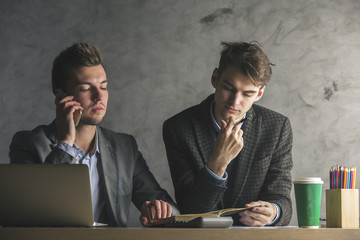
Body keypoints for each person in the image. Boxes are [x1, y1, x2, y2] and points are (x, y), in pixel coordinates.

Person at [9, 42, 178, 227]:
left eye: (103, 86)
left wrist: (160, 209)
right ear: (60, 96)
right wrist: (65, 144)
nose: (99, 96)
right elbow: (26, 219)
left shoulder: (124, 147)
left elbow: (173, 211)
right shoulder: (28, 143)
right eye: (85, 88)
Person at [163, 41, 293, 226]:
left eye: (247, 94)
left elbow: (282, 201)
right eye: (229, 88)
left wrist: (273, 212)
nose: (235, 101)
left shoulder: (277, 128)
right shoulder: (178, 128)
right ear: (215, 78)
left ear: (259, 94)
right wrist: (218, 162)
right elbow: (191, 212)